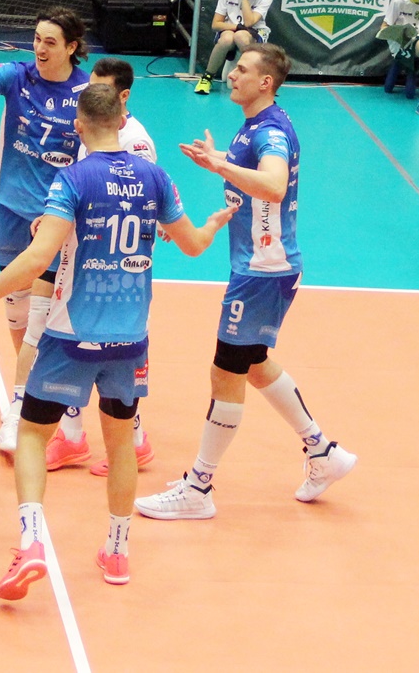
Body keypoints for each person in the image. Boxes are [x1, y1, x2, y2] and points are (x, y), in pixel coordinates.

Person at [0, 83, 234, 598]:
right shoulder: (155, 177)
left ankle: (32, 543)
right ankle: (118, 551)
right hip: (130, 339)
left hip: (70, 335)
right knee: (121, 441)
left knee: (32, 436)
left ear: (78, 127)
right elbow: (193, 245)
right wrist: (213, 224)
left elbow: (37, 259)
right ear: (122, 120)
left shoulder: (73, 179)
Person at [136, 44, 357, 523]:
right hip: (262, 266)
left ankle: (199, 487)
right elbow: (254, 174)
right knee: (254, 364)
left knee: (226, 371)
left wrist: (220, 166)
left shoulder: (271, 131)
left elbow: (273, 184)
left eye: (241, 69)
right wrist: (218, 158)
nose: (232, 75)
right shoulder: (257, 124)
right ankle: (323, 452)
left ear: (266, 82)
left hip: (263, 269)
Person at [0, 7, 93, 455]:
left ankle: (22, 405)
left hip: (57, 218)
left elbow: (109, 141)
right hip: (12, 209)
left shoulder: (87, 91)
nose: (39, 48)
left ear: (71, 47)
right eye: (37, 38)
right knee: (18, 310)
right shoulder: (16, 76)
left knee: (44, 314)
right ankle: (30, 387)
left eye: (50, 42)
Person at [43, 58, 160, 475]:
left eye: (101, 89)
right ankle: (75, 436)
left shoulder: (136, 141)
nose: (89, 96)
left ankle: (131, 441)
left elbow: (143, 202)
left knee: (103, 353)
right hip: (83, 256)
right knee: (88, 350)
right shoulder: (92, 131)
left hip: (113, 270)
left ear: (122, 97)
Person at [198, 0, 271, 96]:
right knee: (226, 39)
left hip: (255, 32)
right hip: (231, 29)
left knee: (241, 36)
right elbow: (216, 24)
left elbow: (249, 22)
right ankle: (207, 78)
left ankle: (255, 80)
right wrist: (236, 27)